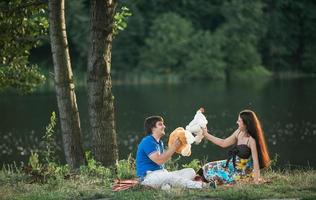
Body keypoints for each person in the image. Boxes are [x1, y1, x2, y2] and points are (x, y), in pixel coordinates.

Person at [136, 115, 216, 189]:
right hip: (149, 177)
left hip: (162, 174)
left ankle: (166, 186)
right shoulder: (148, 141)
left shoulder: (160, 142)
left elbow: (163, 159)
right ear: (152, 128)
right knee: (171, 178)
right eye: (160, 124)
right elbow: (159, 160)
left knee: (190, 171)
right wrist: (173, 147)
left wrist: (178, 147)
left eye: (163, 124)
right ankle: (203, 186)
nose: (164, 126)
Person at [199, 110, 270, 185]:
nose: (237, 122)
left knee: (222, 178)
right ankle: (204, 181)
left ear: (246, 123)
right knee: (208, 167)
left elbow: (256, 163)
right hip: (232, 165)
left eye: (239, 121)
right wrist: (206, 135)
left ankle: (212, 183)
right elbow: (223, 143)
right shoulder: (239, 132)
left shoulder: (251, 140)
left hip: (242, 171)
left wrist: (256, 181)